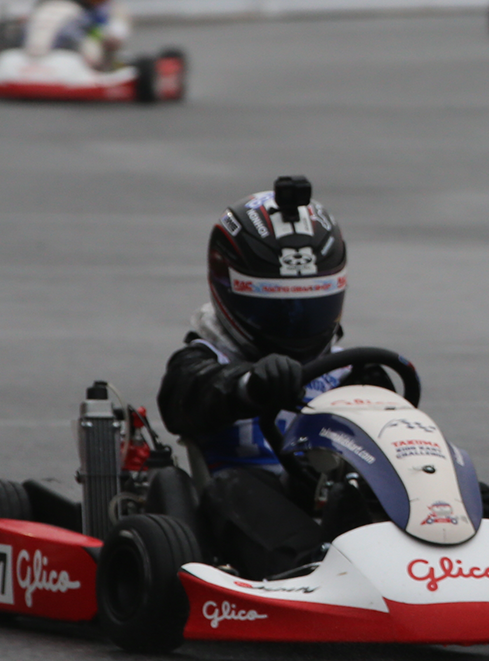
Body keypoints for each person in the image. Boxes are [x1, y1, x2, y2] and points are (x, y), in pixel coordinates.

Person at [157, 177, 394, 579]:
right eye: (277, 309)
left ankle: (454, 548)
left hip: (329, 498)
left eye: (311, 304)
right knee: (236, 486)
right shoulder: (205, 360)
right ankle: (314, 572)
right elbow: (185, 399)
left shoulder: (348, 368)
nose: (296, 322)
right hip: (243, 514)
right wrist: (249, 385)